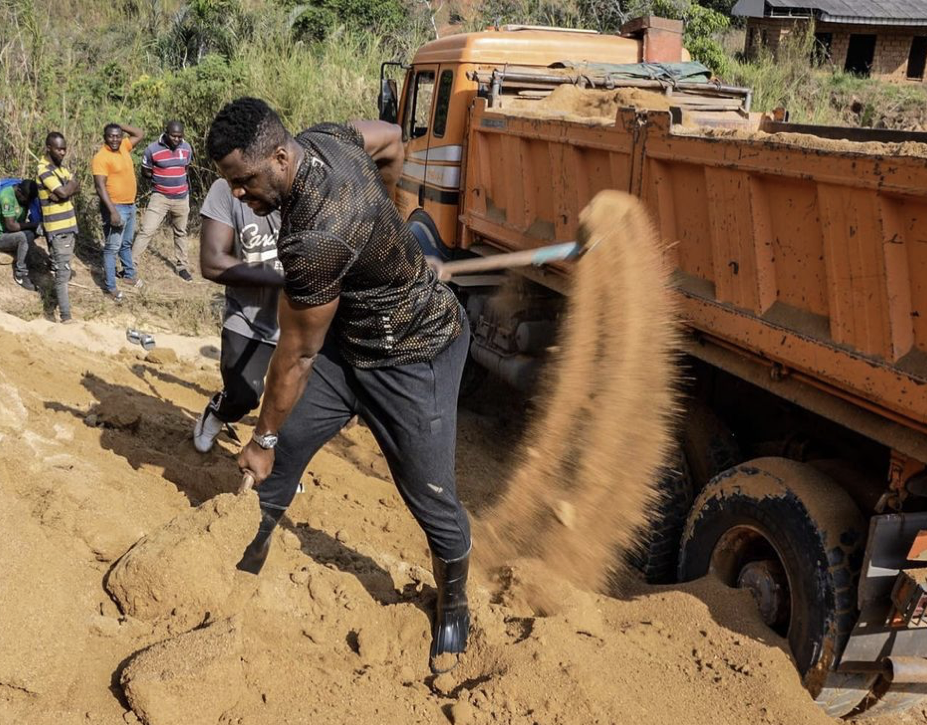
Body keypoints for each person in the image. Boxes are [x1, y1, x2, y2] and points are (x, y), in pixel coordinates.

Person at [207, 98, 472, 673]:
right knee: (288, 449)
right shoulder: (326, 137)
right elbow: (392, 141)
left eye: (245, 182)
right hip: (350, 346)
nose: (239, 197)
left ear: (280, 156)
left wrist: (260, 437)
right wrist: (397, 230)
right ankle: (248, 551)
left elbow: (297, 355)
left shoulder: (316, 239)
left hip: (414, 351)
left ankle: (454, 601)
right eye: (231, 184)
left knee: (429, 493)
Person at [193, 176, 284, 453]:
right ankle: (217, 412)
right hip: (246, 317)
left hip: (297, 325)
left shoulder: (306, 195)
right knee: (244, 395)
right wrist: (280, 277)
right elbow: (213, 262)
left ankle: (282, 475)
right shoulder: (226, 190)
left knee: (293, 405)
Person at [133, 120, 195, 283]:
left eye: (179, 136)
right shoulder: (152, 149)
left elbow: (185, 168)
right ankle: (130, 266)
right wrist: (160, 180)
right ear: (166, 133)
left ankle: (182, 267)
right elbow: (145, 171)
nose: (176, 139)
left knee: (181, 232)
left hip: (182, 197)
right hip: (160, 198)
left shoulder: (186, 147)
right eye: (173, 136)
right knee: (146, 230)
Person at [91, 122, 144, 301]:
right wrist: (112, 211)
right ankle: (110, 287)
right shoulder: (101, 157)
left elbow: (139, 133)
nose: (115, 139)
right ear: (104, 137)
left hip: (130, 205)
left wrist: (120, 125)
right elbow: (99, 187)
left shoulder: (123, 146)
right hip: (115, 208)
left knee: (126, 243)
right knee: (112, 248)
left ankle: (129, 275)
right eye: (111, 136)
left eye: (117, 135)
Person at [37, 132, 81, 323]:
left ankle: (59, 310)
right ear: (48, 148)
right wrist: (65, 190)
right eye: (59, 148)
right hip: (58, 228)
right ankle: (65, 316)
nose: (63, 152)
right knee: (63, 272)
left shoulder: (60, 169)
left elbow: (75, 186)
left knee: (61, 268)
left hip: (68, 226)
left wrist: (65, 192)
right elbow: (64, 190)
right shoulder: (44, 170)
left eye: (64, 148)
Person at [0, 179, 39, 291]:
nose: (27, 203)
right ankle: (20, 274)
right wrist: (34, 224)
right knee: (22, 236)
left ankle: (22, 258)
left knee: (31, 234)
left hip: (8, 234)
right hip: (2, 235)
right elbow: (11, 226)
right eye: (26, 199)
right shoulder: (6, 197)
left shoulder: (24, 198)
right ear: (19, 191)